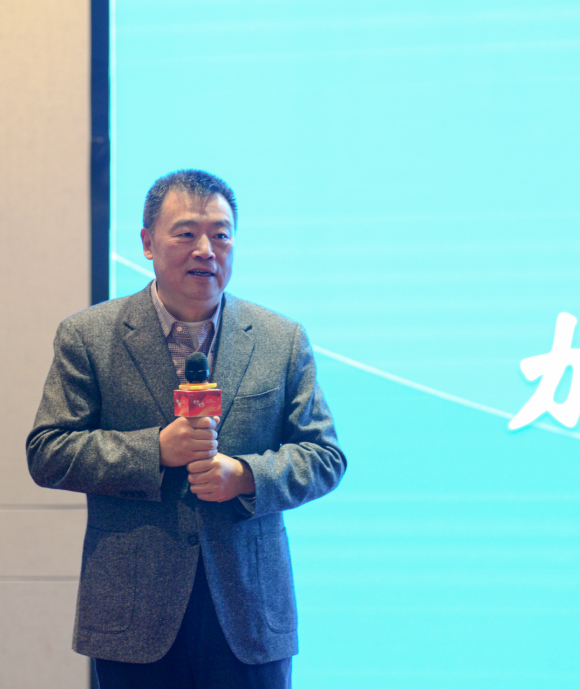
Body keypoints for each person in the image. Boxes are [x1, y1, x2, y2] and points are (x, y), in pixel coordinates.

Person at [27, 169, 345, 689]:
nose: (206, 250)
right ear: (147, 243)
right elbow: (49, 452)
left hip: (249, 614)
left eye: (220, 234)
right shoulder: (89, 336)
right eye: (186, 233)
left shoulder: (280, 339)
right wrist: (154, 450)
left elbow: (324, 456)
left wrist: (245, 475)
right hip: (134, 615)